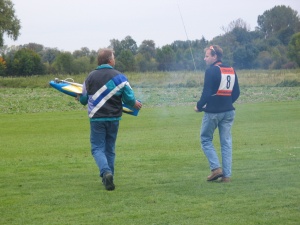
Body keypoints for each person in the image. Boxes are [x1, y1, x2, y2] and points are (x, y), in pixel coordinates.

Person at [77, 48, 142, 191]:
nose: (115, 59)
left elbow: (83, 99)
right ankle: (109, 175)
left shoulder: (89, 77)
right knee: (110, 148)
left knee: (97, 148)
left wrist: (79, 98)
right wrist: (135, 104)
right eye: (114, 56)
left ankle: (105, 172)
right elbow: (129, 98)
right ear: (109, 60)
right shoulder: (120, 77)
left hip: (96, 119)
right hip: (114, 119)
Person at [194, 45, 240, 183]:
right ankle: (226, 176)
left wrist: (199, 106)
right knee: (226, 143)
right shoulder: (231, 70)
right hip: (229, 112)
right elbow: (236, 92)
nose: (205, 58)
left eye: (207, 56)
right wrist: (226, 102)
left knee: (205, 139)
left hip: (213, 112)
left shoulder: (211, 71)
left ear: (215, 56)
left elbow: (206, 93)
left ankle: (216, 169)